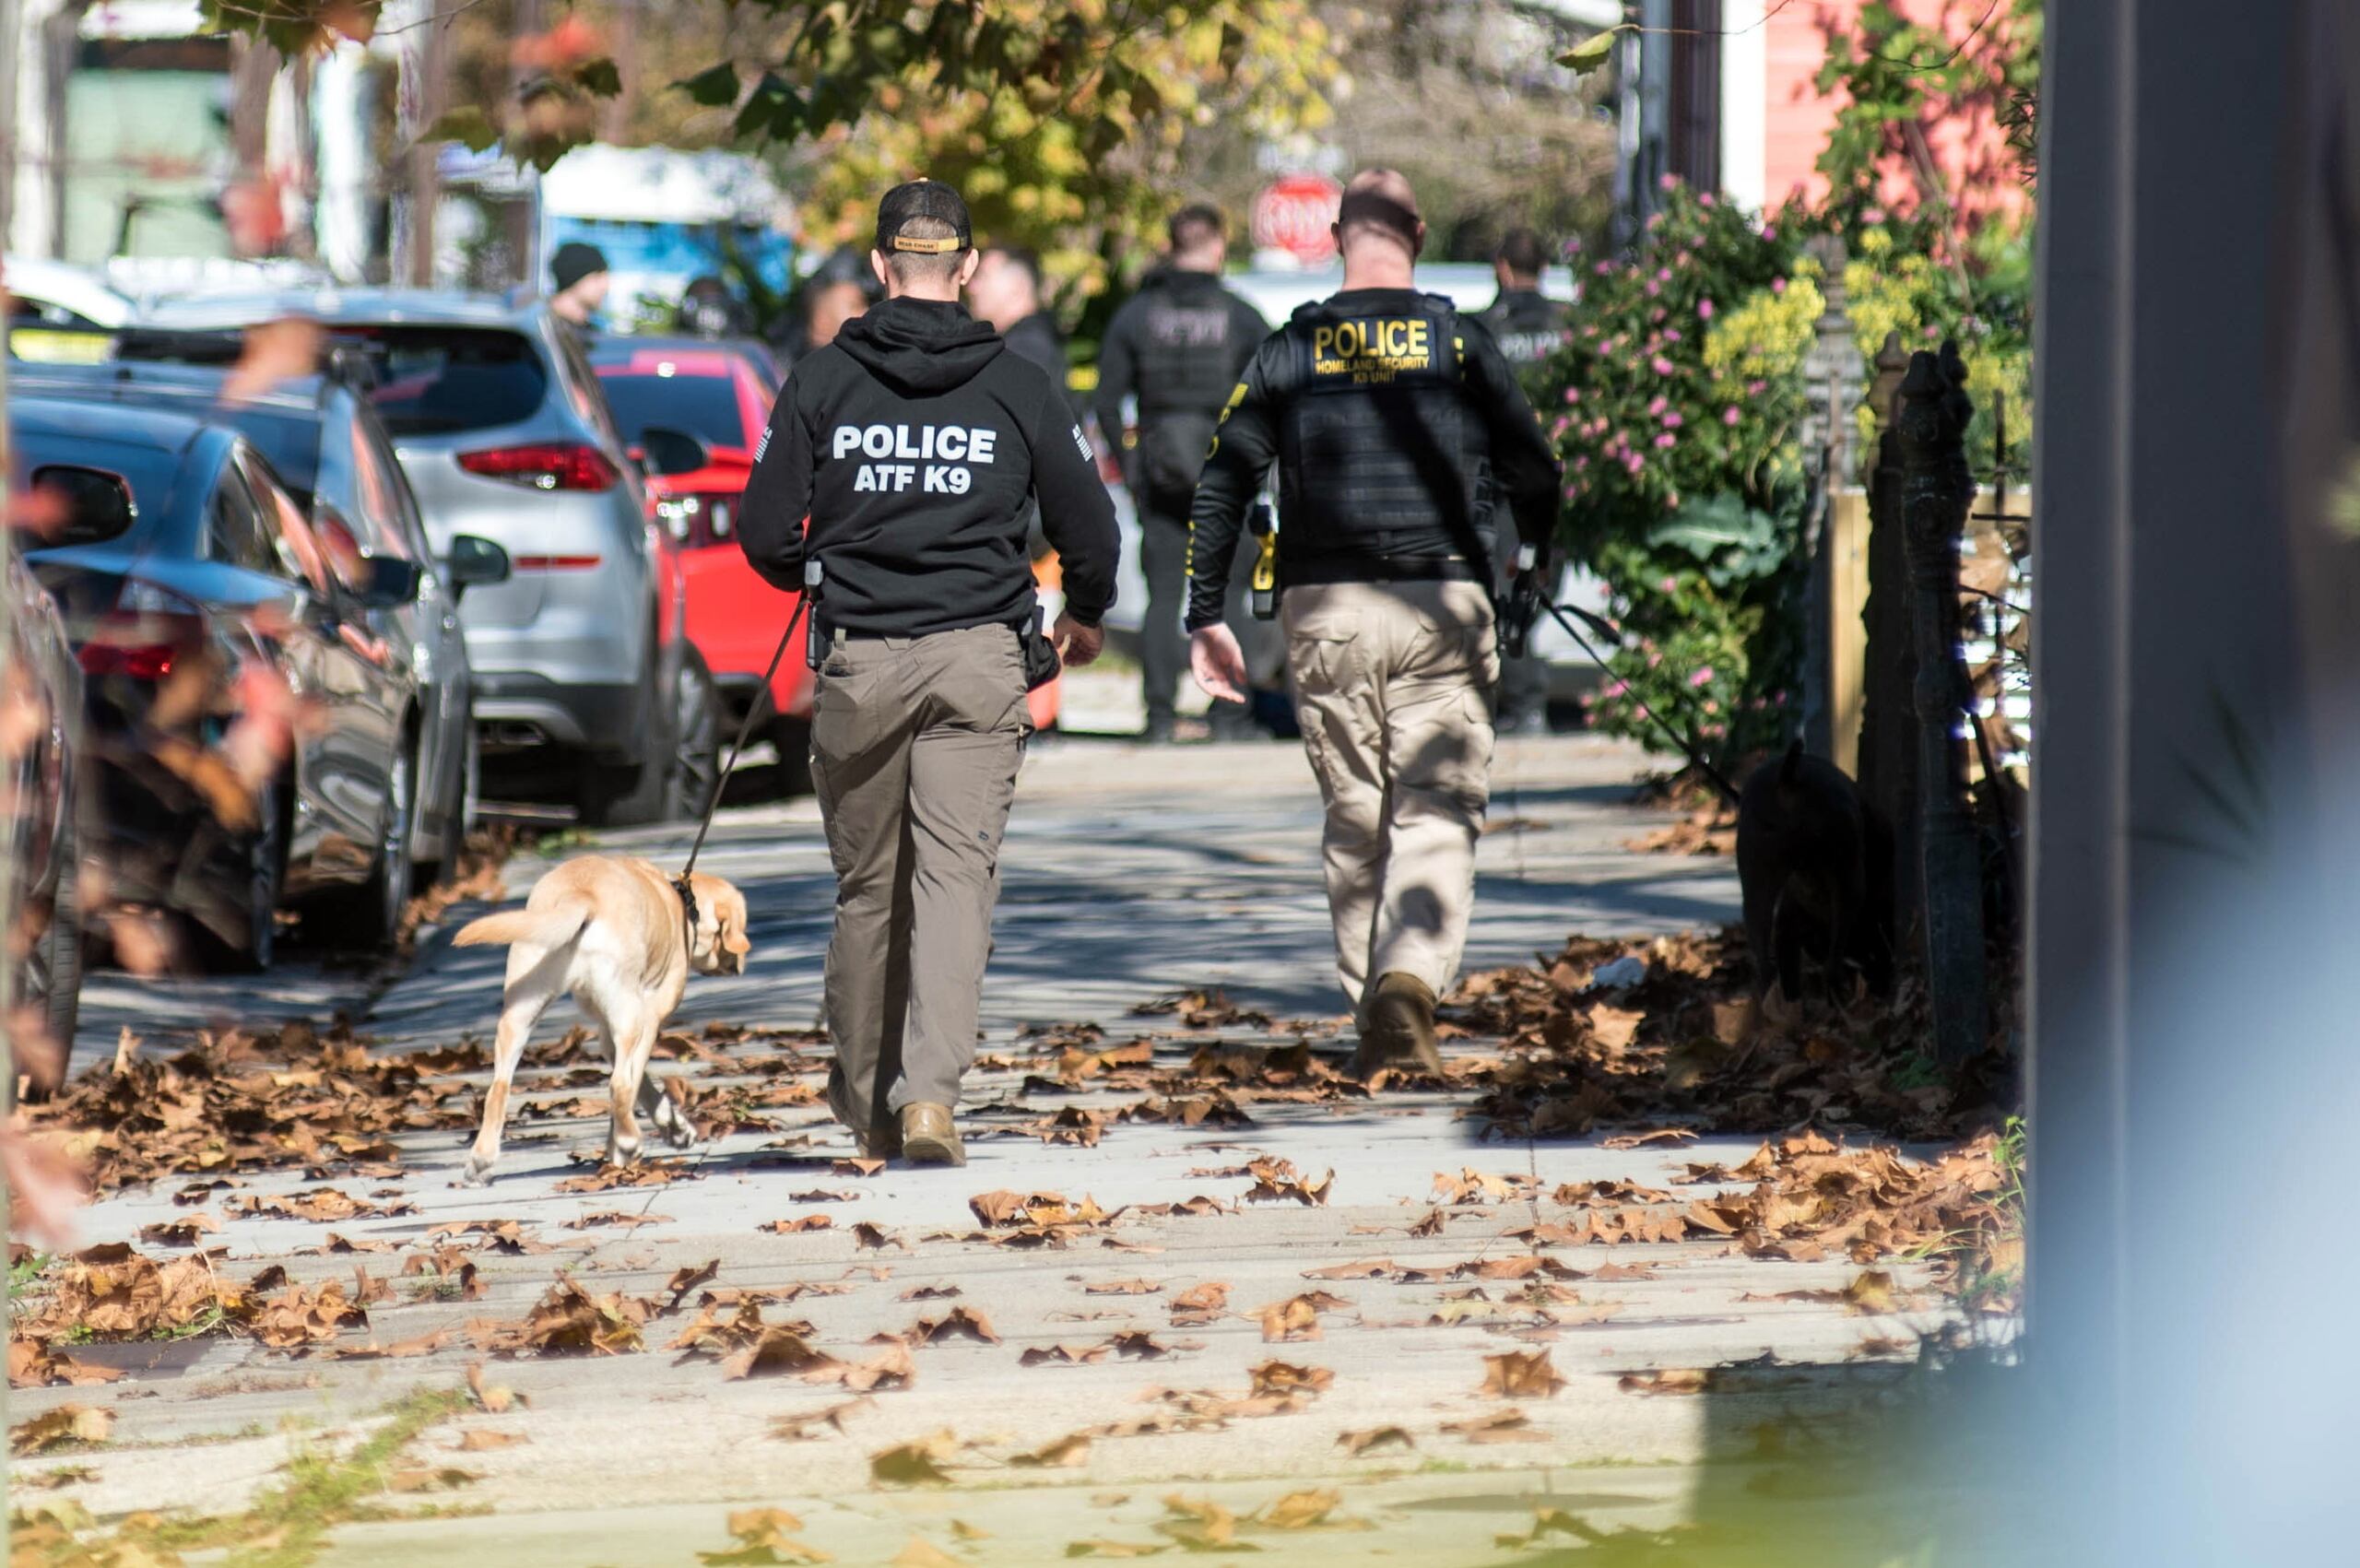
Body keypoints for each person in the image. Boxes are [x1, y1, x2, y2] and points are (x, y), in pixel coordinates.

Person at [737, 179, 1119, 1167]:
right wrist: (1083, 611)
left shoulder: (823, 380)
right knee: (955, 883)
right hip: (980, 659)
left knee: (869, 890)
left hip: (862, 658)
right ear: (969, 268)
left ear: (877, 268)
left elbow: (762, 532)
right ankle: (930, 1101)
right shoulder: (1020, 385)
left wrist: (818, 573)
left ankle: (866, 1101)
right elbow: (1090, 522)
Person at [1185, 170, 1562, 1079]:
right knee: (1435, 810)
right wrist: (1529, 569)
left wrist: (1205, 612)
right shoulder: (1460, 344)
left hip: (1328, 610)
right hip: (1443, 601)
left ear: (1334, 234)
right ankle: (1407, 984)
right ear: (1419, 234)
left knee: (1356, 814)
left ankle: (1376, 1012)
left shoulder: (1291, 347)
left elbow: (1224, 477)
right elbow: (1536, 472)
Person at [1092, 204, 1272, 744]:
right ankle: (1230, 718)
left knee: (1164, 597)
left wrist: (1131, 470)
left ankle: (1160, 718)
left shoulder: (1136, 315)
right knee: (1227, 597)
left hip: (1161, 475)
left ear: (1171, 247)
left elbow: (1104, 402)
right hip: (1228, 475)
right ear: (1217, 248)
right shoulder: (1240, 315)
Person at [1478, 229, 1575, 736]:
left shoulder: (1484, 329)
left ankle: (1523, 697)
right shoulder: (1569, 325)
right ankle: (1524, 694)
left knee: (1508, 588)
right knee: (1540, 584)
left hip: (1506, 485)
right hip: (1565, 477)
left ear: (1502, 267)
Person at [968, 245, 1068, 394]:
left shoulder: (1025, 351)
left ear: (1016, 288)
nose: (972, 287)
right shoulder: (1029, 343)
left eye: (983, 276)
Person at [548, 242, 610, 328]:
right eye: (597, 277)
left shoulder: (586, 333)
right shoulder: (537, 330)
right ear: (575, 277)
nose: (605, 287)